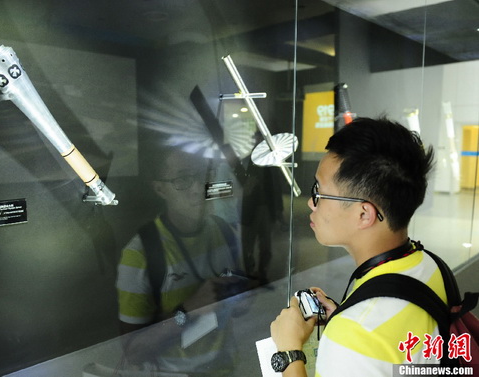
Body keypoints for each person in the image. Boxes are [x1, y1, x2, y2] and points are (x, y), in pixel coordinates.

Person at [270, 117, 440, 376]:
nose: (311, 203)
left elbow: (365, 342)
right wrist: (346, 313)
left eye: (319, 191)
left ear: (364, 214)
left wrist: (289, 352)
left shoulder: (352, 338)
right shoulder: (428, 264)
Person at [116, 147, 250, 376]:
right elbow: (133, 351)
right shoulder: (140, 255)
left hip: (226, 367)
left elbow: (240, 305)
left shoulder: (223, 230)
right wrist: (189, 309)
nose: (198, 188)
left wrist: (239, 298)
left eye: (201, 175)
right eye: (183, 180)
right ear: (160, 189)